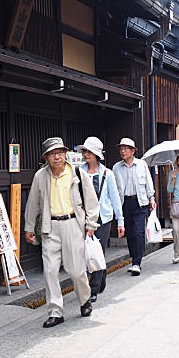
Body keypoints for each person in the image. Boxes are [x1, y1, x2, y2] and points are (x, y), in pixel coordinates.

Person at [24, 137, 99, 328]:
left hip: (73, 224)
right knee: (49, 271)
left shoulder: (76, 174)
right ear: (46, 158)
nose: (57, 157)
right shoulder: (40, 176)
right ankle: (56, 312)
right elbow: (33, 203)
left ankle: (84, 299)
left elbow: (91, 201)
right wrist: (29, 227)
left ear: (65, 154)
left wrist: (91, 224)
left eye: (60, 152)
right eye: (52, 154)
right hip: (50, 227)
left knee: (76, 270)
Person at [77, 136, 125, 301]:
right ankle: (100, 276)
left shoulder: (107, 174)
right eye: (85, 151)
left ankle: (94, 289)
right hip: (83, 220)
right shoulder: (79, 172)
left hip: (103, 219)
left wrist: (120, 221)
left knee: (97, 253)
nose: (86, 154)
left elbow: (115, 198)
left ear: (97, 154)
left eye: (89, 151)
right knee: (85, 253)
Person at [113, 137, 156, 276]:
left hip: (140, 202)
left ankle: (137, 262)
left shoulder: (141, 164)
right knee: (130, 234)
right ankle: (134, 258)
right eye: (121, 148)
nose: (122, 151)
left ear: (133, 151)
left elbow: (148, 182)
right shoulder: (116, 167)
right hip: (124, 203)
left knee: (138, 232)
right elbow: (114, 189)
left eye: (125, 148)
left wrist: (152, 198)